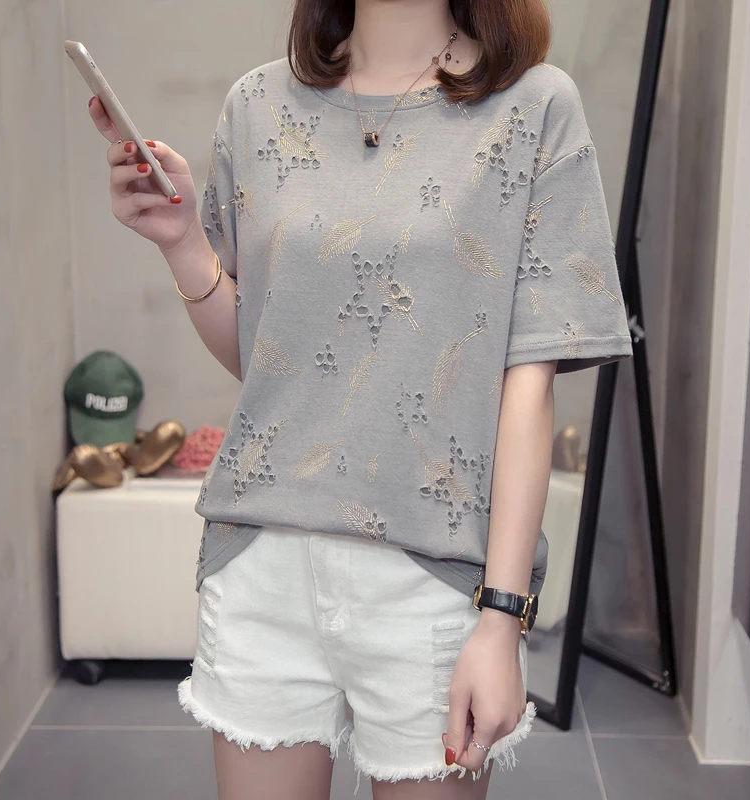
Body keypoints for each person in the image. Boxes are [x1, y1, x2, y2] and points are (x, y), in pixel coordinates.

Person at [88, 0, 632, 797]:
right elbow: (269, 362)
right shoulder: (257, 105)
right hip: (262, 563)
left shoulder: (535, 106)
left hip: (433, 581)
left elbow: (528, 385)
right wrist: (183, 243)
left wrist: (501, 617)